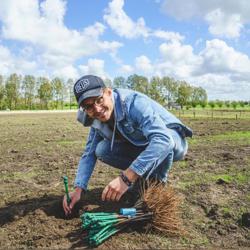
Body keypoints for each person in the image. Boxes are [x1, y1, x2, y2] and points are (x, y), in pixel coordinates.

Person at [63, 75, 192, 215]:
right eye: (89, 106)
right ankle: (143, 180)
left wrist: (126, 178)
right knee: (101, 150)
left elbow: (164, 140)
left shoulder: (132, 103)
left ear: (108, 92)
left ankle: (156, 184)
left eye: (99, 100)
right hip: (143, 144)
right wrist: (78, 189)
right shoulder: (96, 119)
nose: (97, 109)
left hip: (173, 140)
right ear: (84, 109)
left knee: (164, 142)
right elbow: (89, 153)